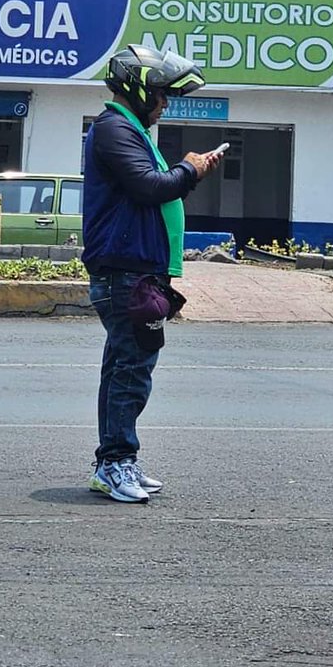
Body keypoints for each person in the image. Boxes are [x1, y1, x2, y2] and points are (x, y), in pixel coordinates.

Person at [82, 44, 223, 502]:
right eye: (161, 94)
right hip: (125, 273)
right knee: (131, 371)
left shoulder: (129, 130)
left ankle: (115, 461)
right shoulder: (114, 129)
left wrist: (189, 169)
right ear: (137, 89)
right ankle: (117, 462)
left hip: (135, 272)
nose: (164, 103)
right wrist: (191, 168)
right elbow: (149, 186)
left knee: (123, 368)